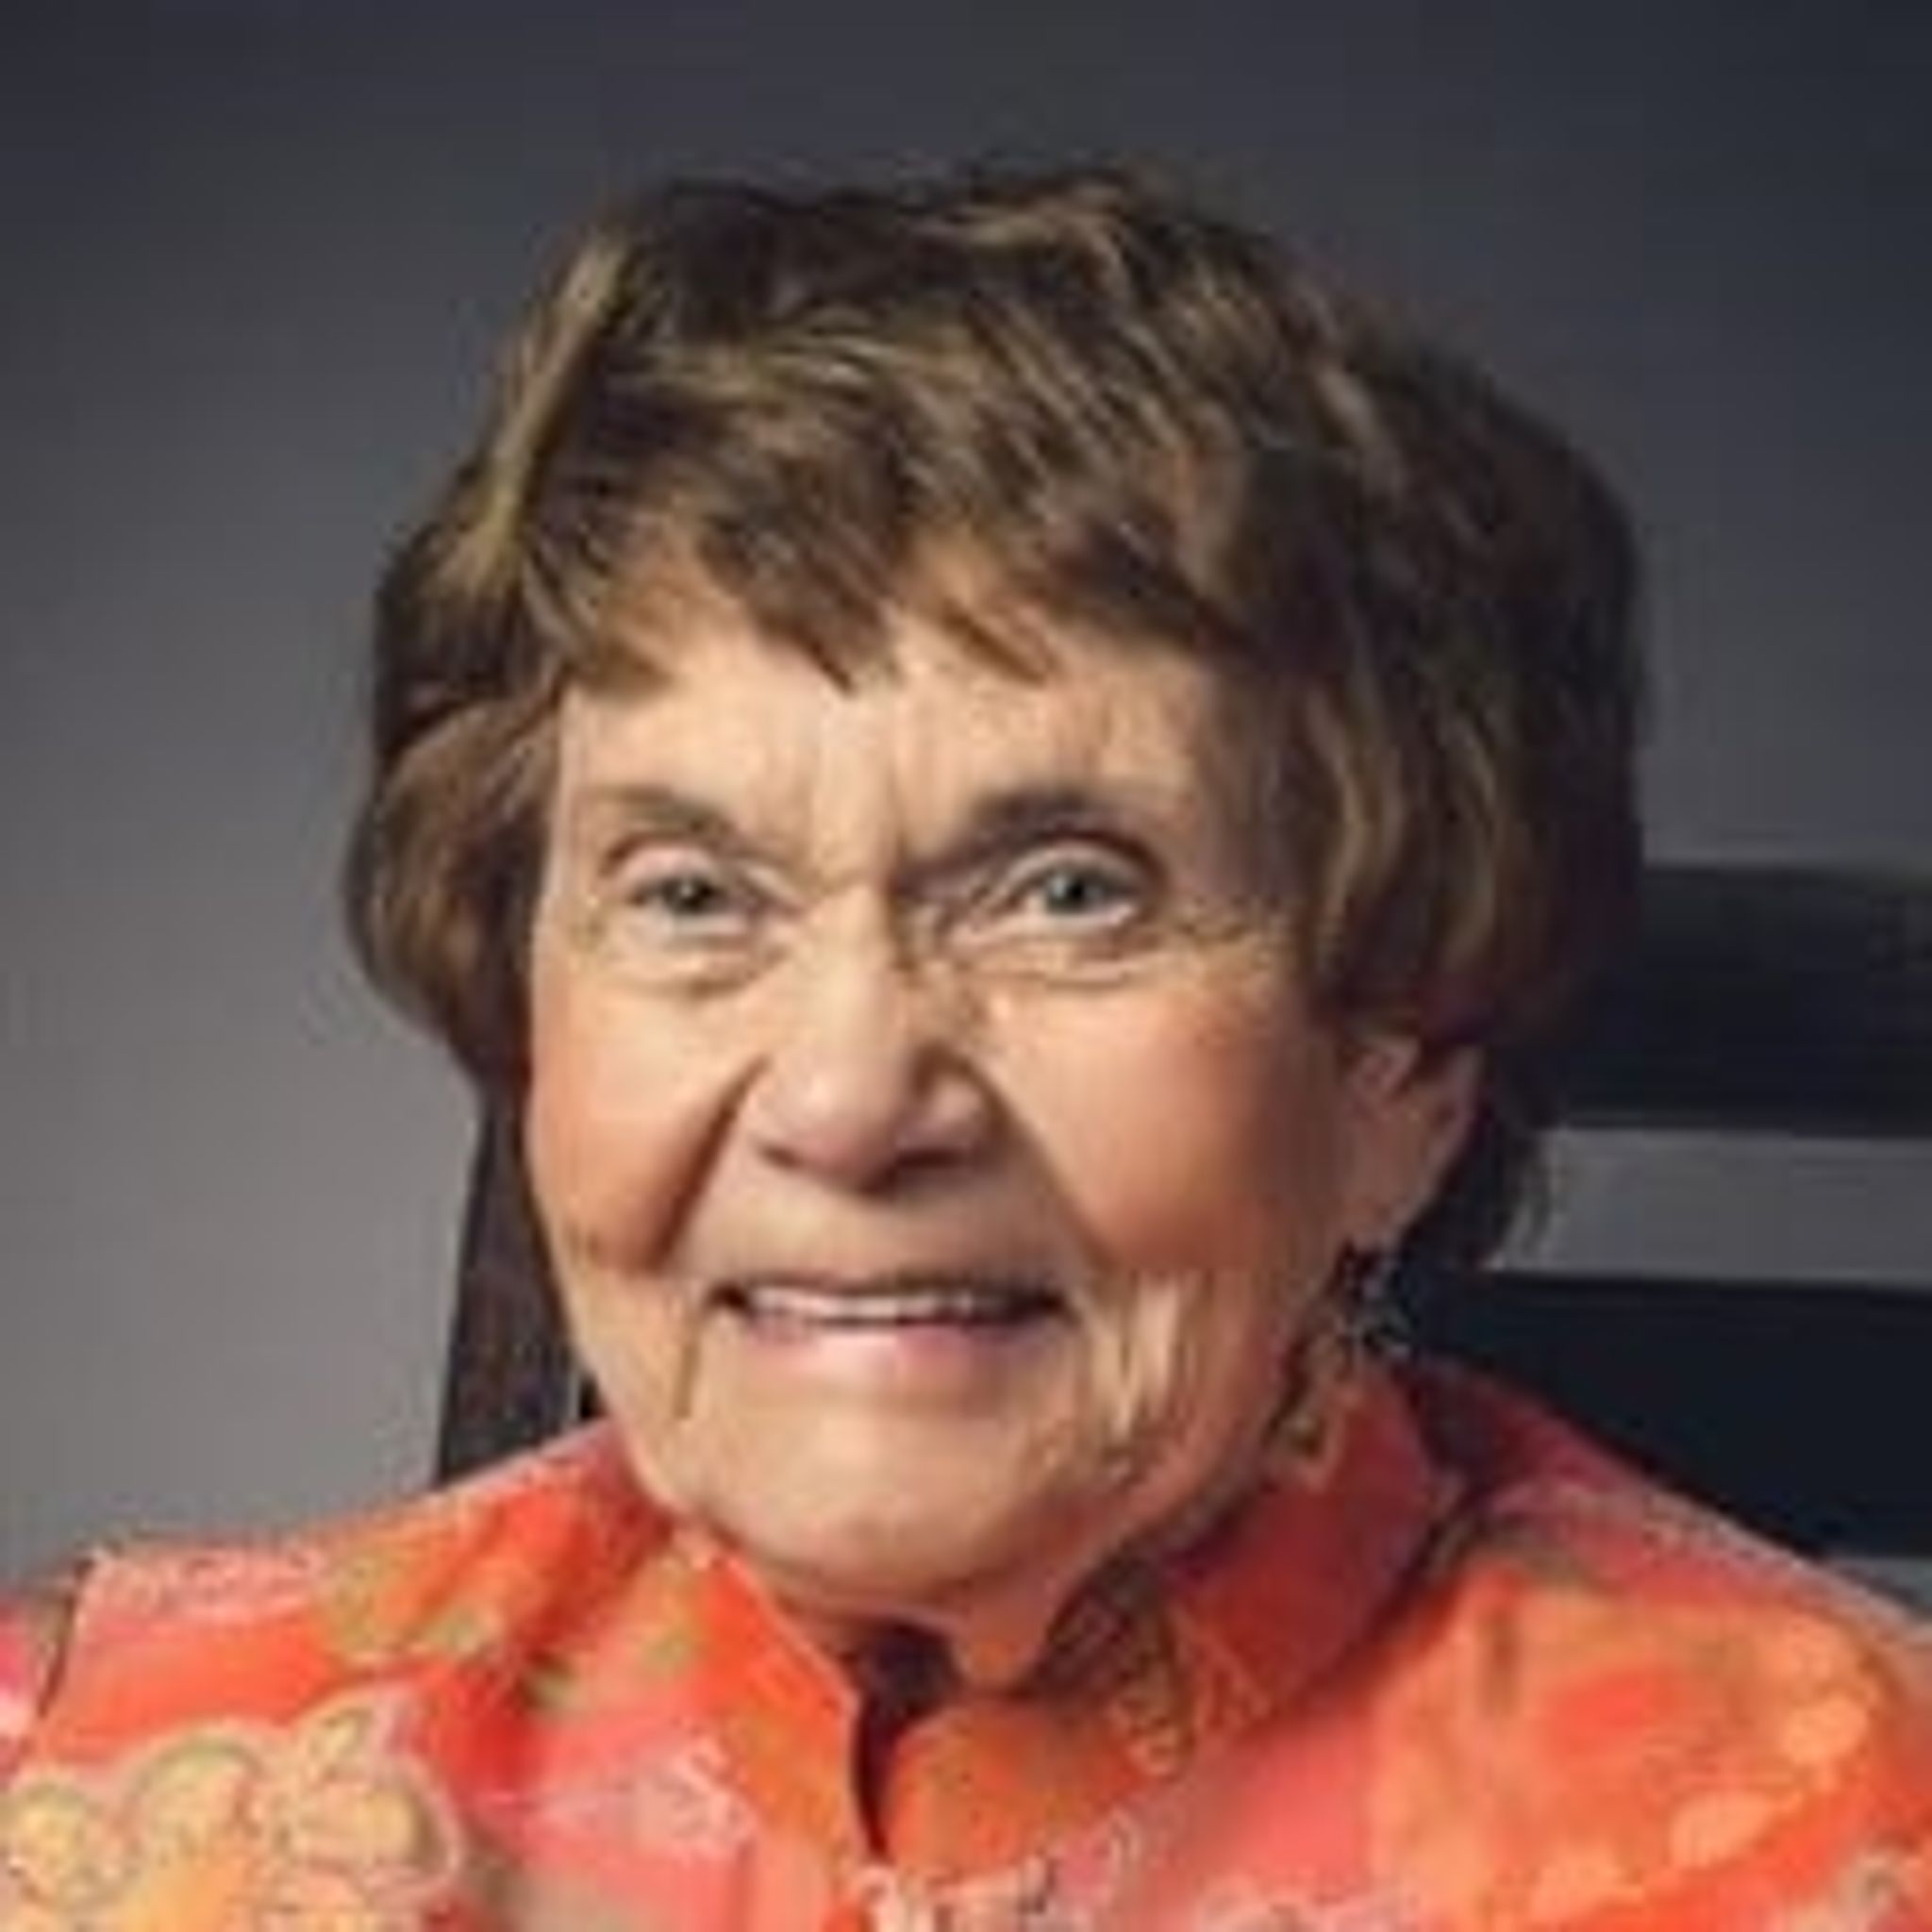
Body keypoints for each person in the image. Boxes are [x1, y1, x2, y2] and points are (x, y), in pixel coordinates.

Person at [1, 164, 1926, 1930]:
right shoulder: (96, 1782)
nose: (848, 1101)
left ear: (1399, 1068)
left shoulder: (1854, 1849)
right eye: (693, 895)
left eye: (1071, 892)